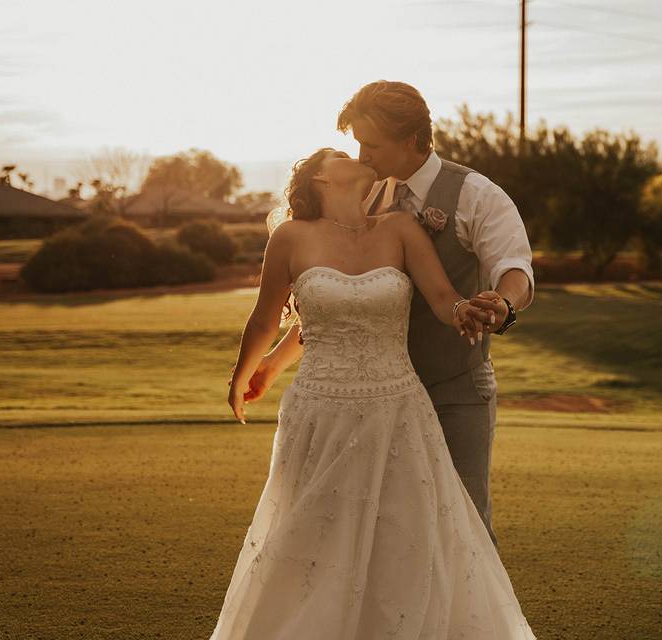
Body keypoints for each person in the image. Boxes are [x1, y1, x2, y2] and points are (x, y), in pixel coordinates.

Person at [211, 147, 536, 638]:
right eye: (343, 153)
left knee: (406, 533)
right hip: (319, 407)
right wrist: (245, 375)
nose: (359, 154)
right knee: (315, 528)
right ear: (320, 179)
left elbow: (444, 298)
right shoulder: (290, 237)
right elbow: (265, 317)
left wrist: (471, 311)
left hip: (398, 406)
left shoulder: (400, 228)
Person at [244, 81, 535, 548]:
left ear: (415, 140)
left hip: (453, 389)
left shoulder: (477, 194)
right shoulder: (362, 197)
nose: (361, 155)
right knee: (380, 535)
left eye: (372, 144)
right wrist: (274, 362)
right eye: (357, 142)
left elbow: (514, 267)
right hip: (375, 402)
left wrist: (501, 302)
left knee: (465, 529)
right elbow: (348, 302)